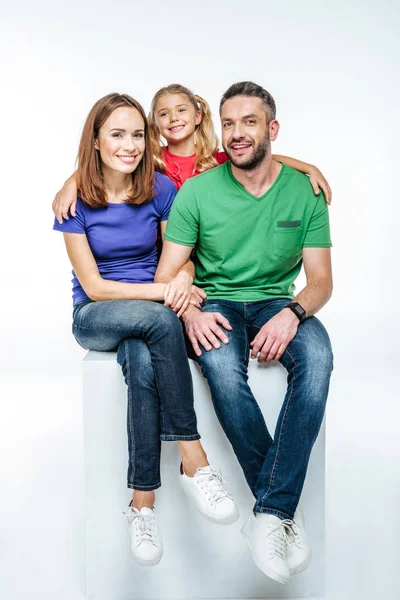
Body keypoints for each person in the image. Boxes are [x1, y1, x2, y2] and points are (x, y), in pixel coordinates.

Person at [155, 81, 334, 584]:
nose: (237, 133)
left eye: (249, 122)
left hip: (281, 300)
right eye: (229, 123)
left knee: (318, 361)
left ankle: (268, 513)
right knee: (221, 371)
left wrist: (293, 313)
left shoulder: (306, 191)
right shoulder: (197, 191)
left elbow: (320, 281)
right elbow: (168, 273)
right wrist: (189, 311)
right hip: (217, 301)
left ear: (271, 129)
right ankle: (279, 513)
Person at [53, 93, 238, 568]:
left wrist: (183, 279)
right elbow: (93, 287)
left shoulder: (158, 188)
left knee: (141, 358)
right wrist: (167, 295)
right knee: (156, 322)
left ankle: (141, 504)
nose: (130, 144)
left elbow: (183, 258)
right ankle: (193, 461)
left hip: (151, 320)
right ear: (95, 141)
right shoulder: (74, 201)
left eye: (137, 134)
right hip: (97, 316)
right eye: (117, 134)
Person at [52, 83, 331, 222]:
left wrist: (308, 167)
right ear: (155, 123)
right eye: (164, 114)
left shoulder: (216, 159)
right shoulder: (151, 160)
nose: (173, 118)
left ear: (198, 115)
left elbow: (261, 158)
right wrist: (70, 183)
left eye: (181, 110)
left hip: (206, 255)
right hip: (162, 252)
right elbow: (104, 164)